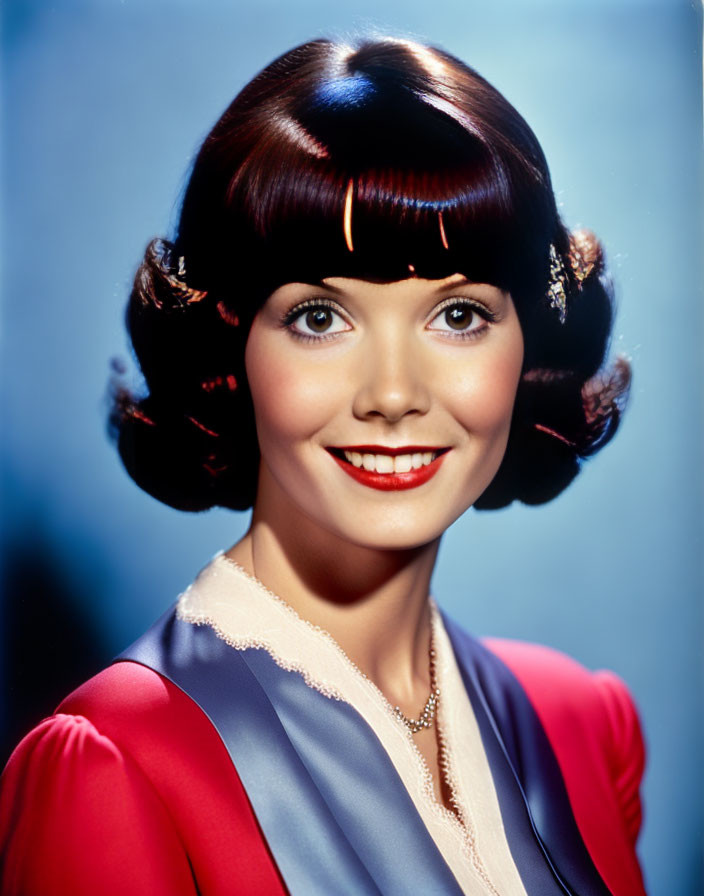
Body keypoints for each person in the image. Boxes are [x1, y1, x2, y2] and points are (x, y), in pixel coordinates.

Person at [0, 35, 646, 896]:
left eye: (456, 315)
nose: (391, 393)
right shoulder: (117, 765)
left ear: (530, 348)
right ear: (232, 349)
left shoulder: (583, 727)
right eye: (318, 317)